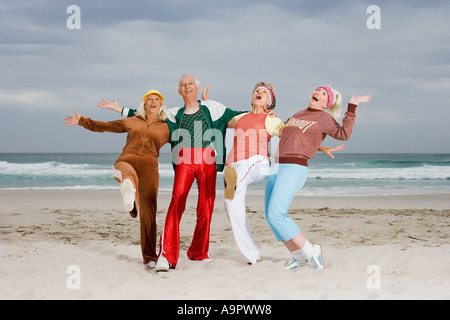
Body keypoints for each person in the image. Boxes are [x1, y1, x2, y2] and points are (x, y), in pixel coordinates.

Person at [100, 74, 245, 271]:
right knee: (177, 203)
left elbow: (236, 116)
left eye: (190, 83)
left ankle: (198, 252)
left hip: (208, 159)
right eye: (183, 84)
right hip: (184, 158)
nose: (187, 86)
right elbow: (149, 114)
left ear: (196, 87)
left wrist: (261, 115)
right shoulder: (173, 113)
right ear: (179, 91)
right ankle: (166, 256)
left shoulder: (212, 107)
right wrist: (121, 109)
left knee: (206, 208)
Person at [265, 85, 372, 270]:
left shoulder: (324, 118)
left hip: (294, 167)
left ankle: (311, 250)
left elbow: (343, 134)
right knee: (270, 217)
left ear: (326, 104)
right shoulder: (298, 114)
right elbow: (291, 137)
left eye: (323, 94)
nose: (318, 93)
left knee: (277, 214)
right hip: (276, 166)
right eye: (318, 90)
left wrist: (352, 109)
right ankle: (299, 257)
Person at [64, 90, 170, 269]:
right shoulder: (132, 120)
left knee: (149, 213)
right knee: (125, 173)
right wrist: (82, 121)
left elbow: (184, 141)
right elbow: (106, 126)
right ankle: (129, 189)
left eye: (156, 99)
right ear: (144, 105)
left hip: (150, 167)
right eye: (149, 99)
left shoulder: (167, 127)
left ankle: (149, 257)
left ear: (161, 105)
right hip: (126, 160)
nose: (153, 101)